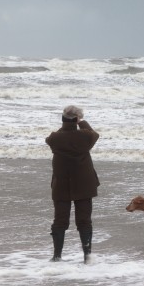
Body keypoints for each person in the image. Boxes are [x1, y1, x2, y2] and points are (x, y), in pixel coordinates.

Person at [45, 105, 100, 263]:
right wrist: (81, 122)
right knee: (84, 220)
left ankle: (57, 256)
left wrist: (67, 123)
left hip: (61, 184)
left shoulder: (55, 138)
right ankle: (87, 257)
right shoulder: (85, 137)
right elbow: (94, 134)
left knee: (60, 220)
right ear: (77, 119)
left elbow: (52, 138)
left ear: (63, 119)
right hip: (84, 184)